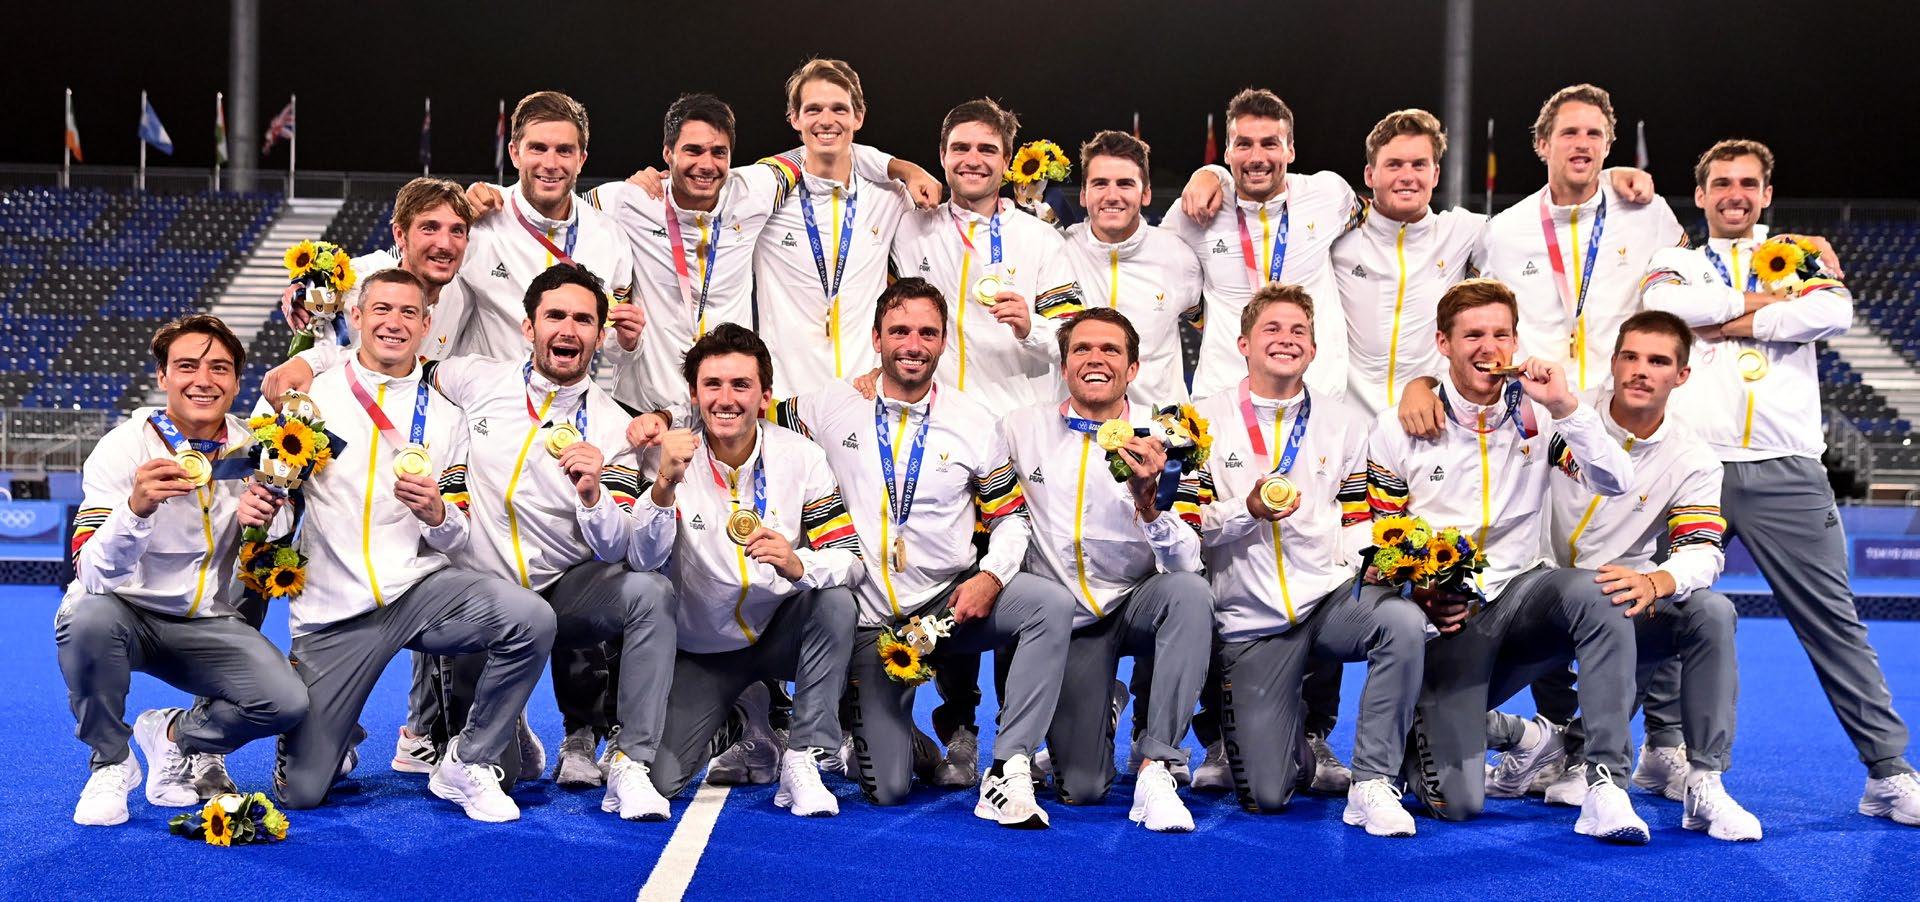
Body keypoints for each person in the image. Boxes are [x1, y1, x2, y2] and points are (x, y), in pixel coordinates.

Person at [1641, 139, 1919, 825]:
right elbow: (1664, 307)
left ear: (1766, 195)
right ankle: (1661, 748)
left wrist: (1726, 320)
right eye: (1721, 183)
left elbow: (1832, 313)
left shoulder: (1797, 254)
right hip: (1690, 465)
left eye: (1748, 184)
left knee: (1834, 623)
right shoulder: (1676, 261)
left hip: (1787, 468)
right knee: (1665, 607)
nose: (1734, 194)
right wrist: (1771, 309)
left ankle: (1887, 772)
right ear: (1700, 195)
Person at [767, 277, 1073, 826]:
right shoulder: (828, 404)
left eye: (927, 333)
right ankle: (907, 742)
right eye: (900, 331)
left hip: (945, 608)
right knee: (887, 791)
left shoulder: (974, 421)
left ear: (943, 341)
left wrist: (992, 576)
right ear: (876, 339)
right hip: (869, 617)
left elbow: (1011, 517)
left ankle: (1008, 767)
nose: (913, 345)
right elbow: (748, 415)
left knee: (1048, 604)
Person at [270, 269, 555, 823]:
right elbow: (275, 503)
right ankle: (331, 733)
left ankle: (469, 759)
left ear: (426, 325)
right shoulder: (308, 401)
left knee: (530, 619)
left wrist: (437, 514)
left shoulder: (448, 417)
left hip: (419, 591)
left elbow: (458, 530)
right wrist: (270, 506)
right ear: (356, 316)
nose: (394, 323)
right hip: (335, 611)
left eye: (408, 313)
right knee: (303, 793)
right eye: (381, 309)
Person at [1366, 278, 1646, 843]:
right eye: (1473, 335)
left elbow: (1617, 481)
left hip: (1520, 597)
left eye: (1500, 334)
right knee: (1457, 805)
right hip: (1446, 615)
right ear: (1443, 343)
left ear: (1516, 341)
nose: (1488, 347)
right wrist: (1418, 590)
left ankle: (1605, 784)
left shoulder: (1539, 417)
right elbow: (1373, 531)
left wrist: (1566, 406)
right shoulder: (1402, 424)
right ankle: (1517, 735)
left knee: (1599, 594)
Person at [1482, 310, 1760, 841]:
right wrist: (1420, 387)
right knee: (1437, 714)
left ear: (1682, 375)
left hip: (1617, 606)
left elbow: (1703, 551)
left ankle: (1700, 780)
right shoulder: (1560, 408)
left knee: (1711, 612)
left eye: (1658, 361)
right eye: (1630, 357)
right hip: (1530, 597)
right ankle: (1533, 741)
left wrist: (1656, 581)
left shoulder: (1693, 458)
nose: (1640, 370)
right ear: (1612, 362)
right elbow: (1474, 391)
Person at [1188, 284, 1424, 836]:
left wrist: (1363, 566)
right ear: (1243, 344)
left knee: (1403, 623)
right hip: (1251, 621)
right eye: (1271, 329)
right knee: (1269, 795)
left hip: (1327, 602)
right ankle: (1289, 736)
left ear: (1314, 350)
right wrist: (1246, 511)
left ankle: (1373, 781)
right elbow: (1190, 526)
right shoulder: (1201, 421)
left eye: (1299, 332)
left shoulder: (1345, 423)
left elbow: (1357, 516)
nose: (1286, 339)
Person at [59, 315, 308, 826]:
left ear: (236, 382)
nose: (203, 380)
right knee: (84, 617)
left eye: (219, 368)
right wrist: (136, 510)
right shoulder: (124, 447)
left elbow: (281, 533)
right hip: (125, 615)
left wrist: (266, 519)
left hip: (207, 622)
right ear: (163, 376)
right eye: (187, 366)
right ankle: (111, 762)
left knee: (284, 702)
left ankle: (173, 735)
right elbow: (93, 575)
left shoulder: (258, 448)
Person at [630, 323, 862, 817]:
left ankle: (802, 756)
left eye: (741, 385)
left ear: (764, 396)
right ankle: (740, 718)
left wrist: (799, 564)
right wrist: (664, 485)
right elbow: (642, 561)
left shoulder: (801, 457)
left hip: (777, 632)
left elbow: (850, 559)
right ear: (694, 395)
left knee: (836, 603)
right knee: (662, 781)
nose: (726, 399)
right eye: (712, 385)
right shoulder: (667, 457)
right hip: (703, 651)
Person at [587, 92, 939, 412]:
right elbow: (568, 211)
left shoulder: (754, 191)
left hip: (728, 403)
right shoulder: (628, 200)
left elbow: (820, 147)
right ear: (668, 153)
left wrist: (903, 169)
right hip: (647, 404)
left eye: (718, 152)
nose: (706, 164)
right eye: (692, 150)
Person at [1001, 307, 1212, 832]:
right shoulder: (1019, 429)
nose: (1095, 359)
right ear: (1064, 365)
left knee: (1190, 594)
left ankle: (1157, 766)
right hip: (1067, 620)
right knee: (1083, 788)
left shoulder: (1168, 441)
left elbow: (1188, 562)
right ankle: (1104, 703)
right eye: (1082, 349)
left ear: (1133, 368)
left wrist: (1150, 505)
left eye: (1111, 350)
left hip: (1136, 603)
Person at [754, 59, 915, 397]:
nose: (826, 120)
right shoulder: (765, 198)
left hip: (864, 394)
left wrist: (904, 169)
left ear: (859, 117)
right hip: (786, 399)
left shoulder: (890, 197)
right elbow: (703, 194)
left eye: (839, 109)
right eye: (813, 109)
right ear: (795, 118)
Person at [1056, 129, 1202, 404]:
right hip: (1077, 424)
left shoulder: (1178, 257)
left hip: (1157, 425)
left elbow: (1211, 327)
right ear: (1083, 194)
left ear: (1145, 193)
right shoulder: (1059, 250)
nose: (1112, 195)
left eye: (1125, 184)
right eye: (1100, 184)